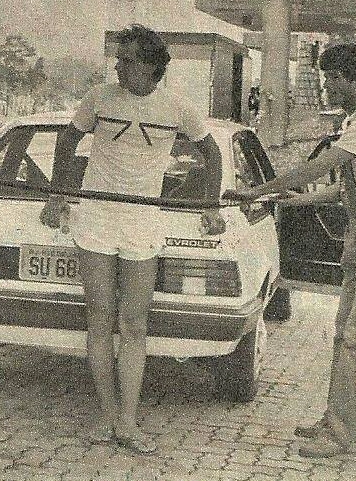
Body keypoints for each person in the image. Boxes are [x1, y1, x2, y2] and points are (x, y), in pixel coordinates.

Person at [40, 24, 225, 454]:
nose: (119, 67)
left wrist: (210, 207)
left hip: (143, 221)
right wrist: (58, 195)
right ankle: (106, 417)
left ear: (151, 66)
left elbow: (211, 154)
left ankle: (128, 421)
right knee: (100, 319)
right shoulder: (99, 98)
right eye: (118, 59)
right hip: (97, 218)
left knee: (135, 324)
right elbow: (67, 143)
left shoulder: (177, 106)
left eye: (128, 60)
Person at [223, 43, 356, 458]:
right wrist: (292, 200)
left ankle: (342, 434)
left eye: (335, 79)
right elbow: (342, 187)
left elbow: (318, 168)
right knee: (345, 333)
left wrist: (257, 189)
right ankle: (333, 420)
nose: (328, 86)